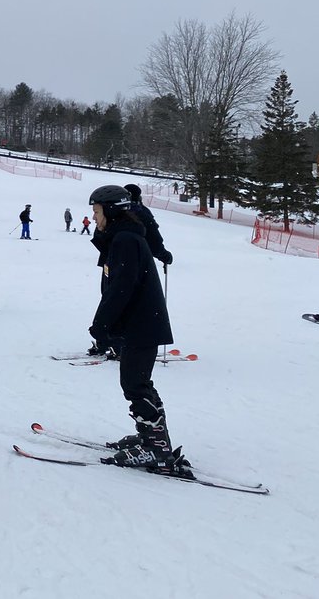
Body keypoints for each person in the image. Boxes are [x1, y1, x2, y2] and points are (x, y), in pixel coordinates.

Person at [86, 185, 186, 473]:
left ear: (111, 211)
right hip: (140, 322)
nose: (94, 218)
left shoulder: (126, 240)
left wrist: (101, 325)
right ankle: (152, 438)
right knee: (138, 382)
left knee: (134, 384)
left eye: (97, 212)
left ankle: (156, 449)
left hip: (141, 323)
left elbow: (121, 288)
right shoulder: (122, 236)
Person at [124, 184, 173, 266]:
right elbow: (154, 241)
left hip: (113, 262)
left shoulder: (113, 210)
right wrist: (164, 255)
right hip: (134, 262)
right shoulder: (141, 213)